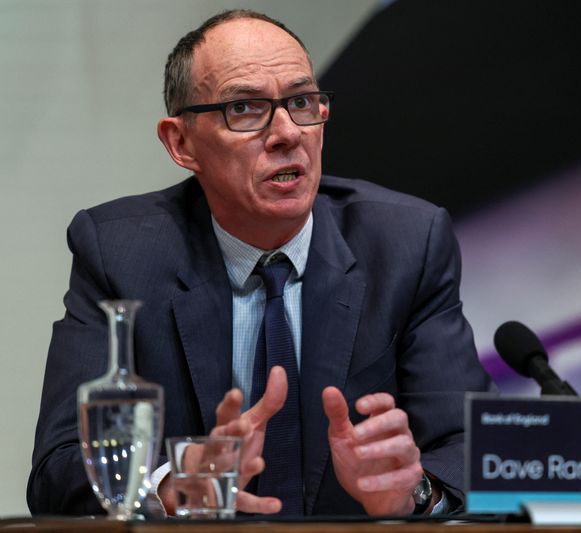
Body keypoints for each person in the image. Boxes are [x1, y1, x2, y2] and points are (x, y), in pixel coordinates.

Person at [28, 9, 493, 517]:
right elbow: (60, 469)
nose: (287, 133)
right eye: (245, 108)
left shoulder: (405, 243)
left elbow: (472, 447)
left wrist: (414, 491)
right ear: (180, 142)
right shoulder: (119, 253)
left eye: (300, 102)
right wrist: (172, 488)